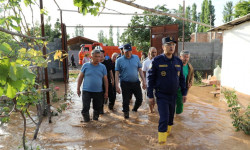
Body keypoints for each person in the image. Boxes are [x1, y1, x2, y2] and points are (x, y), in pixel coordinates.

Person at [147, 37, 187, 144]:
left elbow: (182, 78)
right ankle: (162, 143)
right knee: (164, 118)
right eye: (168, 45)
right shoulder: (156, 61)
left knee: (170, 119)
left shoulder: (178, 61)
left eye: (173, 45)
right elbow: (150, 79)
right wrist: (150, 96)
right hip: (162, 95)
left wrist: (184, 93)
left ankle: (168, 135)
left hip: (173, 95)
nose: (171, 47)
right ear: (163, 47)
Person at [115, 43, 147, 119]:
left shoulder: (136, 58)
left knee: (140, 99)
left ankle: (134, 109)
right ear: (123, 51)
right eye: (126, 52)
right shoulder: (119, 60)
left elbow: (140, 70)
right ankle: (126, 115)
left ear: (131, 51)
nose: (128, 53)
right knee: (126, 100)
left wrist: (144, 81)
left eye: (129, 51)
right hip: (125, 83)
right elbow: (116, 73)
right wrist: (117, 85)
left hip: (135, 82)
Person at [77, 49, 108, 122]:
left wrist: (106, 92)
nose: (98, 58)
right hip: (86, 91)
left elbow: (105, 80)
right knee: (85, 108)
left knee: (97, 108)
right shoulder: (85, 65)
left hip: (98, 91)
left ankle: (95, 122)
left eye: (99, 57)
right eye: (96, 56)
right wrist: (78, 88)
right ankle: (87, 123)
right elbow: (80, 77)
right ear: (91, 57)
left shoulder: (103, 67)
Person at [176, 50, 194, 114]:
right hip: (174, 87)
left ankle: (177, 118)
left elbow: (192, 76)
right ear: (180, 57)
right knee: (172, 103)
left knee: (180, 105)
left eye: (187, 57)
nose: (186, 59)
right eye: (184, 57)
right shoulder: (176, 65)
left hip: (183, 88)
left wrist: (190, 83)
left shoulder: (190, 67)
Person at [142, 47, 157, 113]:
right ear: (149, 53)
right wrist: (143, 82)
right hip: (148, 83)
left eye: (155, 52)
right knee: (149, 97)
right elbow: (143, 73)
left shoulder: (157, 61)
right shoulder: (146, 62)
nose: (154, 54)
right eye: (152, 52)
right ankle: (151, 110)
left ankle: (152, 108)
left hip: (156, 83)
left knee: (154, 98)